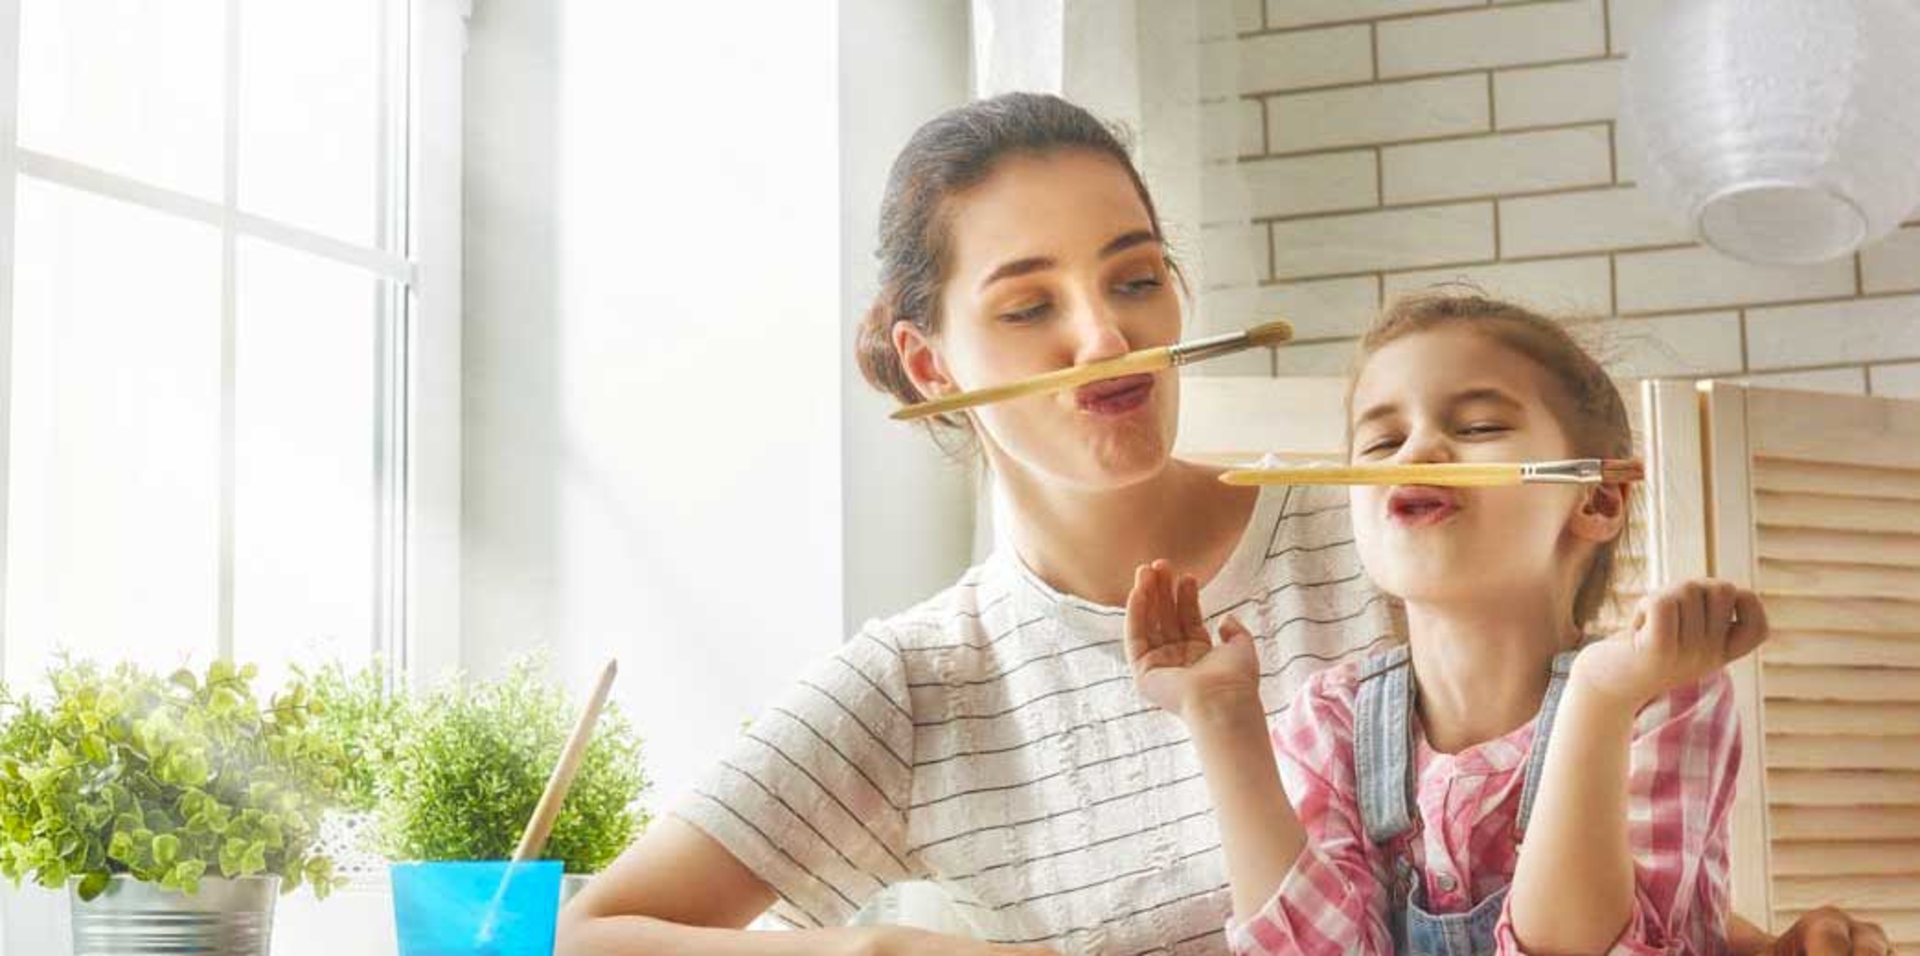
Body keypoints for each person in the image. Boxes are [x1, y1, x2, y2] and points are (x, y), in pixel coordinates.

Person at [555, 93, 1891, 956]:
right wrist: (866, 953)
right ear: (932, 367)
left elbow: (1532, 802)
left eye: (1135, 278)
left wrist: (1762, 943)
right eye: (1030, 307)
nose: (1105, 335)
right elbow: (595, 934)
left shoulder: (1384, 523)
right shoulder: (916, 686)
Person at [1127, 293, 1755, 955]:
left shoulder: (1661, 698)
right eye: (1382, 440)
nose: (1417, 451)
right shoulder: (1333, 720)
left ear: (1596, 496)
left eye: (1479, 427)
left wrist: (1598, 701)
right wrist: (1224, 717)